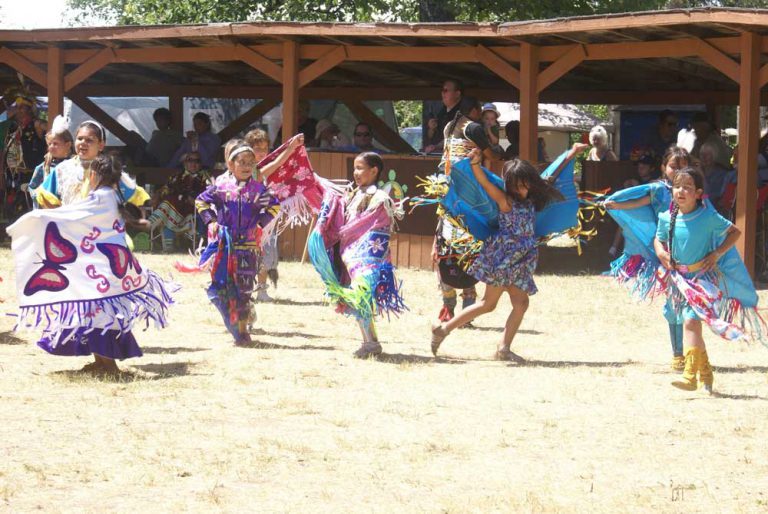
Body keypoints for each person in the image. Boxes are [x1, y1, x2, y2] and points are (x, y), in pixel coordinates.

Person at [8, 153, 174, 375]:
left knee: (99, 316)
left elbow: (70, 215)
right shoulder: (110, 196)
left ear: (93, 175)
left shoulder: (101, 198)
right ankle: (101, 363)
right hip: (108, 265)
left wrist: (34, 218)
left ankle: (109, 366)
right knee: (96, 315)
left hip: (105, 268)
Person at [430, 148, 564, 360]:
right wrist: (475, 164)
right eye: (515, 186)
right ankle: (445, 330)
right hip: (504, 259)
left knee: (517, 303)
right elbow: (485, 184)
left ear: (530, 182)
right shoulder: (505, 201)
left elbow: (553, 174)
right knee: (489, 304)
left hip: (520, 260)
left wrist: (572, 152)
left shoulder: (530, 202)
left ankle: (501, 348)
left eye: (523, 185)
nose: (519, 189)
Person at [195, 136, 304, 345]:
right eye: (241, 162)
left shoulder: (258, 189)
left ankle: (243, 332)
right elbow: (201, 201)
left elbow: (274, 206)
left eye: (250, 163)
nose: (246, 167)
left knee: (244, 289)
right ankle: (235, 320)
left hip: (247, 245)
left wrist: (261, 225)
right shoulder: (221, 187)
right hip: (224, 245)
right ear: (230, 164)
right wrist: (211, 221)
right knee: (222, 288)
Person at [308, 152, 405, 359]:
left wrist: (355, 244)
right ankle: (370, 342)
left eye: (360, 168)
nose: (356, 173)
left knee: (360, 294)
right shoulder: (353, 195)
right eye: (354, 168)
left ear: (374, 171)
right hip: (349, 255)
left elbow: (377, 228)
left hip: (365, 257)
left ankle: (370, 342)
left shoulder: (380, 198)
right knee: (358, 297)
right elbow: (340, 217)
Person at [603, 146, 692, 371]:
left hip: (691, 252)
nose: (677, 171)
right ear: (664, 167)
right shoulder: (658, 190)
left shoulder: (693, 191)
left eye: (682, 167)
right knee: (675, 303)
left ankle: (693, 351)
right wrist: (616, 205)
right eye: (673, 166)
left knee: (690, 304)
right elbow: (637, 203)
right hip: (665, 253)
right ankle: (679, 353)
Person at [654, 166, 741, 393]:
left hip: (702, 280)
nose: (681, 191)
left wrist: (717, 253)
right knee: (690, 325)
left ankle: (690, 375)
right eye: (677, 186)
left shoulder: (707, 217)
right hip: (678, 281)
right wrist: (661, 253)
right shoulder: (666, 217)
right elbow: (658, 239)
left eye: (688, 187)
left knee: (691, 322)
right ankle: (706, 372)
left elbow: (735, 232)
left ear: (699, 193)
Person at [36, 120, 150, 210]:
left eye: (89, 140)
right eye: (79, 139)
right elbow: (46, 197)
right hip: (70, 232)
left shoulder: (109, 169)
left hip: (101, 232)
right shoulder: (62, 169)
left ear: (101, 145)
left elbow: (135, 198)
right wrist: (61, 217)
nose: (83, 143)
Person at [147, 151, 211, 251]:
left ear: (200, 164)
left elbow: (209, 196)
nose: (193, 164)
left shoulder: (205, 178)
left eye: (197, 161)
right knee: (168, 201)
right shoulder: (177, 176)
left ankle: (149, 225)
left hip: (193, 209)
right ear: (185, 163)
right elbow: (165, 189)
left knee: (168, 203)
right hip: (175, 210)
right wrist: (156, 196)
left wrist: (193, 199)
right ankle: (168, 248)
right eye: (190, 160)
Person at [245, 128, 279, 299]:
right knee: (250, 254)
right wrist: (288, 151)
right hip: (248, 219)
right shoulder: (247, 169)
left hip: (265, 217)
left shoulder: (263, 168)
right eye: (257, 149)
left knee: (265, 251)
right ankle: (247, 288)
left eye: (265, 149)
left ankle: (262, 289)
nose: (261, 153)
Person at [29, 115, 73, 208]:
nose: (52, 146)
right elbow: (33, 187)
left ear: (68, 144)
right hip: (48, 209)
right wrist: (40, 196)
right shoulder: (45, 166)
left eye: (56, 143)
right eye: (50, 144)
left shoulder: (75, 165)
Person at [424, 79, 463, 154]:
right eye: (442, 90)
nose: (442, 93)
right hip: (437, 155)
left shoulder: (463, 112)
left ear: (457, 94)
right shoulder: (442, 112)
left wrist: (436, 146)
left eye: (446, 90)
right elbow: (430, 136)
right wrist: (431, 129)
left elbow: (454, 137)